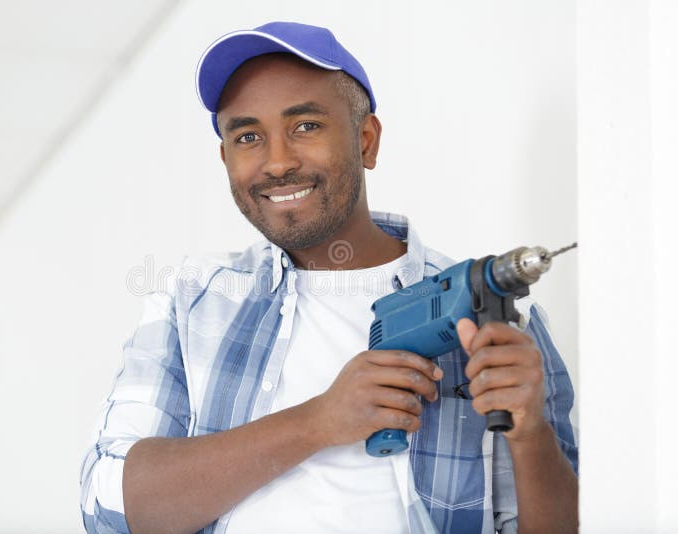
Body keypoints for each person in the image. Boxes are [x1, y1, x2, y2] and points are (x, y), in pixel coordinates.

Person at [79, 21, 578, 534]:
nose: (277, 162)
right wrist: (318, 421)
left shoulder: (495, 315)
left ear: (366, 140)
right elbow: (111, 507)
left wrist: (530, 434)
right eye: (249, 136)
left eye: (306, 126)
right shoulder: (193, 301)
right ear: (226, 159)